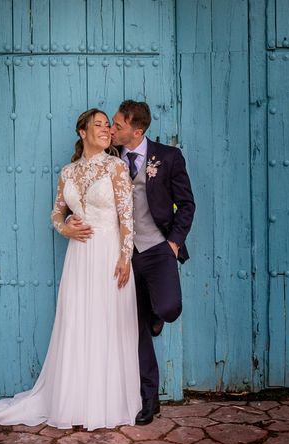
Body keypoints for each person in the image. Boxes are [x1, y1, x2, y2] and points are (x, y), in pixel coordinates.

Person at [0, 109, 142, 430]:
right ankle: (74, 401)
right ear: (82, 132)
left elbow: (127, 216)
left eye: (107, 126)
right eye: (98, 125)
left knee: (108, 324)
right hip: (79, 258)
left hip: (109, 256)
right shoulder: (68, 172)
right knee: (77, 324)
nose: (105, 130)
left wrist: (125, 256)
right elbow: (56, 214)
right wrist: (66, 229)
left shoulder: (117, 167)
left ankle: (107, 403)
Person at [67, 100, 195, 425]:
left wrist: (173, 243)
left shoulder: (168, 157)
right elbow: (85, 191)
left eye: (118, 125)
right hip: (122, 256)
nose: (111, 129)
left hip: (157, 249)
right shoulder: (109, 159)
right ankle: (149, 400)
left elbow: (186, 205)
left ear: (136, 131)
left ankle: (156, 314)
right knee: (135, 332)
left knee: (167, 308)